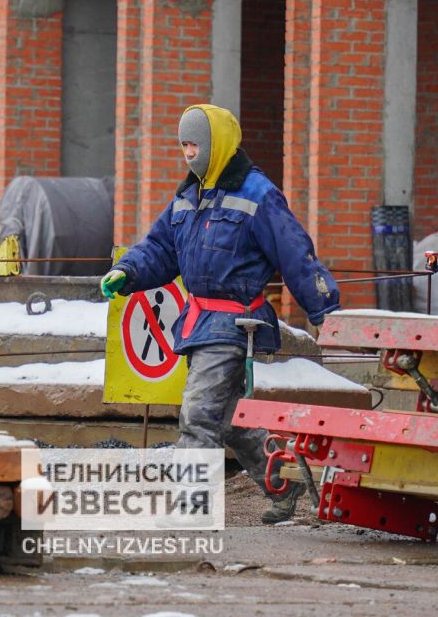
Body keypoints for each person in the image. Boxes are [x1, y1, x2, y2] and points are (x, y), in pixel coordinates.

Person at [100, 104, 340, 524]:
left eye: (194, 144)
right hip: (199, 322)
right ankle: (284, 483)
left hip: (234, 323)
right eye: (183, 145)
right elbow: (160, 248)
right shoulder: (188, 196)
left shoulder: (258, 194)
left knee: (198, 413)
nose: (187, 154)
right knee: (230, 418)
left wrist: (324, 310)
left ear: (217, 145)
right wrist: (128, 270)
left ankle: (191, 507)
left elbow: (295, 253)